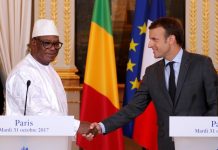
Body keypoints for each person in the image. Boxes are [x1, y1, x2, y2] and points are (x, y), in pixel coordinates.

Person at [87, 17, 218, 150]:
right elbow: (133, 108)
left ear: (171, 39)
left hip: (201, 144)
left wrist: (200, 131)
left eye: (154, 39)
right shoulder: (151, 73)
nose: (149, 44)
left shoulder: (202, 64)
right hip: (166, 145)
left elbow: (215, 104)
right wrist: (101, 126)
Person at [5, 19, 91, 135]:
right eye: (47, 43)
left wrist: (76, 129)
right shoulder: (23, 74)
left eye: (56, 44)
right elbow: (38, 113)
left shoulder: (50, 70)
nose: (53, 48)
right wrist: (77, 126)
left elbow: (58, 111)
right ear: (33, 43)